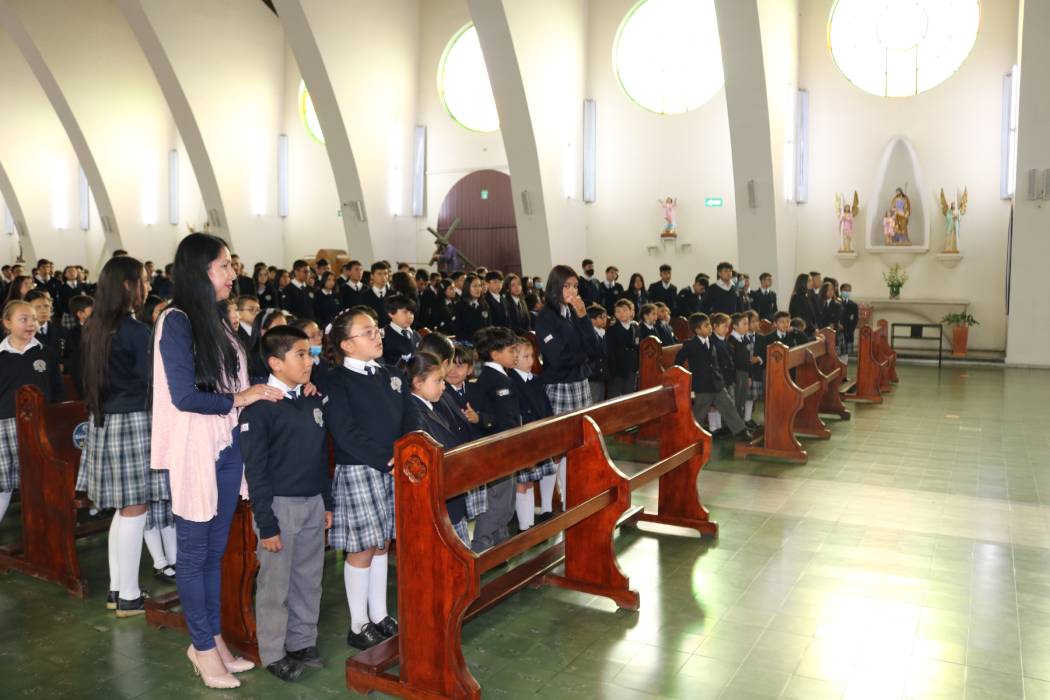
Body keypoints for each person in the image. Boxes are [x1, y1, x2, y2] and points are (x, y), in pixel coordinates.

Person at [152, 233, 282, 688]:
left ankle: (212, 639)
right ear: (200, 270)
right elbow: (185, 396)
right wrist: (240, 399)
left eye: (231, 264)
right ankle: (202, 648)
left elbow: (237, 379)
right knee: (193, 554)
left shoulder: (219, 321)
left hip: (226, 445)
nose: (233, 273)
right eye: (224, 265)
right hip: (194, 447)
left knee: (214, 551)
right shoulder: (175, 321)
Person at [240, 326, 332, 682]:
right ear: (276, 363)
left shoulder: (310, 399)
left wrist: (326, 501)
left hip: (312, 502)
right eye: (301, 355)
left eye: (310, 354)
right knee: (275, 585)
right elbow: (256, 470)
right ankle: (273, 652)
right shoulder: (260, 409)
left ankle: (302, 641)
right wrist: (266, 523)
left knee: (309, 578)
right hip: (279, 507)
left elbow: (320, 456)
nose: (309, 362)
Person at [322, 306, 410, 650]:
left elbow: (411, 416)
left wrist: (405, 453)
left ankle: (380, 614)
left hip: (394, 466)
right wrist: (387, 460)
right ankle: (358, 623)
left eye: (377, 330)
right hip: (361, 468)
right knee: (362, 547)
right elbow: (345, 433)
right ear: (346, 345)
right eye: (368, 332)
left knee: (382, 541)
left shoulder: (392, 374)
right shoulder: (337, 380)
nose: (377, 336)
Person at [78, 256, 159, 616]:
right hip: (132, 422)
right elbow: (153, 382)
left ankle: (117, 589)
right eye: (144, 280)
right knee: (135, 508)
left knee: (125, 510)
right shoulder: (134, 331)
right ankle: (128, 594)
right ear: (127, 285)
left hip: (105, 421)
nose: (148, 286)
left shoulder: (95, 326)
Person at [535, 265, 600, 499]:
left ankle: (573, 496)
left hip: (580, 382)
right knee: (557, 447)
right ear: (555, 287)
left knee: (578, 443)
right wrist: (584, 355)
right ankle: (550, 503)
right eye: (567, 286)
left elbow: (595, 348)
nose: (573, 291)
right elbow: (558, 359)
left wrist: (583, 317)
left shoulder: (574, 313)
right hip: (559, 385)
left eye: (575, 286)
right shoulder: (546, 316)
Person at [0, 300, 65, 527]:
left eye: (34, 319)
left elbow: (57, 391)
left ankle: (43, 531)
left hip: (40, 426)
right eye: (24, 319)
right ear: (7, 322)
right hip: (5, 426)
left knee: (40, 480)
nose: (31, 324)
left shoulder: (46, 353)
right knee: (3, 485)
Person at [407, 352, 470, 543]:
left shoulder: (432, 405)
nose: (443, 386)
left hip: (449, 488)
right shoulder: (414, 413)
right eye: (438, 381)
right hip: (437, 492)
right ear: (418, 383)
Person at [466, 326, 520, 550]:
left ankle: (499, 543)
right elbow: (494, 417)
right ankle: (482, 545)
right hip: (497, 448)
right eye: (511, 350)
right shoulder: (491, 380)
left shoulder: (502, 376)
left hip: (507, 445)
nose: (516, 354)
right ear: (495, 354)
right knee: (497, 500)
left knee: (507, 499)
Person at [675, 313, 751, 441]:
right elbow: (679, 360)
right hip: (702, 385)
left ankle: (740, 431)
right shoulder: (690, 344)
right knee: (699, 411)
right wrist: (683, 377)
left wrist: (719, 376)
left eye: (709, 324)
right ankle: (689, 434)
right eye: (706, 326)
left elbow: (715, 362)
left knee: (728, 406)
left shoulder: (712, 341)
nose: (710, 327)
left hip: (717, 383)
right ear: (697, 330)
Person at [726, 313, 757, 429]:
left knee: (742, 400)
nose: (747, 327)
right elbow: (731, 362)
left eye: (747, 324)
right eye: (744, 324)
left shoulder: (745, 339)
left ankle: (740, 424)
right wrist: (734, 377)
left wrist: (749, 376)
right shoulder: (731, 341)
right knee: (736, 400)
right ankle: (735, 426)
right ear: (734, 326)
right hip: (737, 374)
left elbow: (748, 359)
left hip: (744, 373)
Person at [606, 299, 639, 399]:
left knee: (629, 397)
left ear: (631, 312)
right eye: (618, 311)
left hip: (631, 368)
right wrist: (612, 372)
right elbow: (610, 352)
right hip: (617, 371)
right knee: (615, 398)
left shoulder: (635, 328)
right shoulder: (612, 330)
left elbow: (637, 348)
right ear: (615, 314)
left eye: (624, 310)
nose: (621, 313)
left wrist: (637, 366)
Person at [65, 294, 94, 393]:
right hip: (85, 380)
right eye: (92, 311)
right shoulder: (72, 335)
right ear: (80, 314)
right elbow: (75, 362)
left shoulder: (101, 331)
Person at [381, 294, 420, 368]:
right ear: (391, 313)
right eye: (405, 312)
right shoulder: (383, 336)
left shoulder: (416, 335)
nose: (410, 316)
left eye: (412, 313)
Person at [452, 273, 490, 341]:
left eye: (479, 286)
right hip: (466, 343)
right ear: (467, 288)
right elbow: (457, 329)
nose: (478, 289)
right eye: (475, 286)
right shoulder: (459, 306)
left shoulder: (484, 305)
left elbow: (489, 326)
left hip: (483, 343)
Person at [586, 304, 610, 404]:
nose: (604, 320)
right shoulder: (588, 334)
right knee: (593, 401)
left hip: (602, 375)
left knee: (601, 401)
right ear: (592, 320)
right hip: (593, 375)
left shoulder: (604, 333)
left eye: (605, 317)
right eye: (601, 317)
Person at [840, 283, 859, 356]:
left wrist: (851, 330)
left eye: (849, 291)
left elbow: (855, 319)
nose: (847, 292)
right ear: (841, 291)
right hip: (839, 332)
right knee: (838, 355)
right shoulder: (837, 302)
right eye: (845, 290)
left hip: (849, 332)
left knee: (847, 355)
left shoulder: (853, 305)